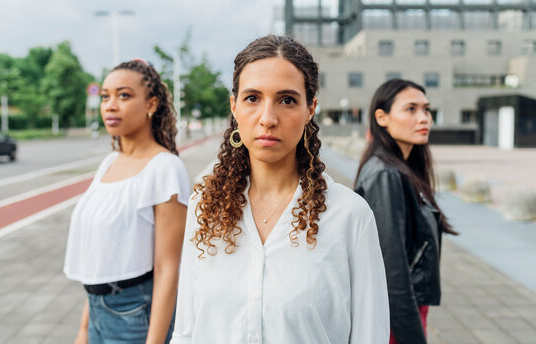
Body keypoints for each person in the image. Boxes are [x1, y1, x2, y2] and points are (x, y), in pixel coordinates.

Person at [171, 35, 389, 343]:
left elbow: (370, 334)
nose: (268, 119)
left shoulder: (349, 216)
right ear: (233, 107)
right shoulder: (205, 206)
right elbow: (185, 331)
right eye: (252, 98)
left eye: (287, 100)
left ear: (310, 108)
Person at [64, 59, 190, 344]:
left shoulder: (165, 169)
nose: (110, 105)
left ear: (151, 104)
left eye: (124, 95)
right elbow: (103, 258)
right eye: (105, 96)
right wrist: (84, 329)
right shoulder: (109, 162)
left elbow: (169, 267)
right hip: (97, 308)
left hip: (135, 314)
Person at [354, 79, 458, 344]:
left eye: (426, 109)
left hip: (404, 309)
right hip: (395, 314)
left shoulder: (400, 167)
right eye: (411, 109)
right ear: (382, 117)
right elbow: (392, 267)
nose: (423, 118)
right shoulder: (385, 175)